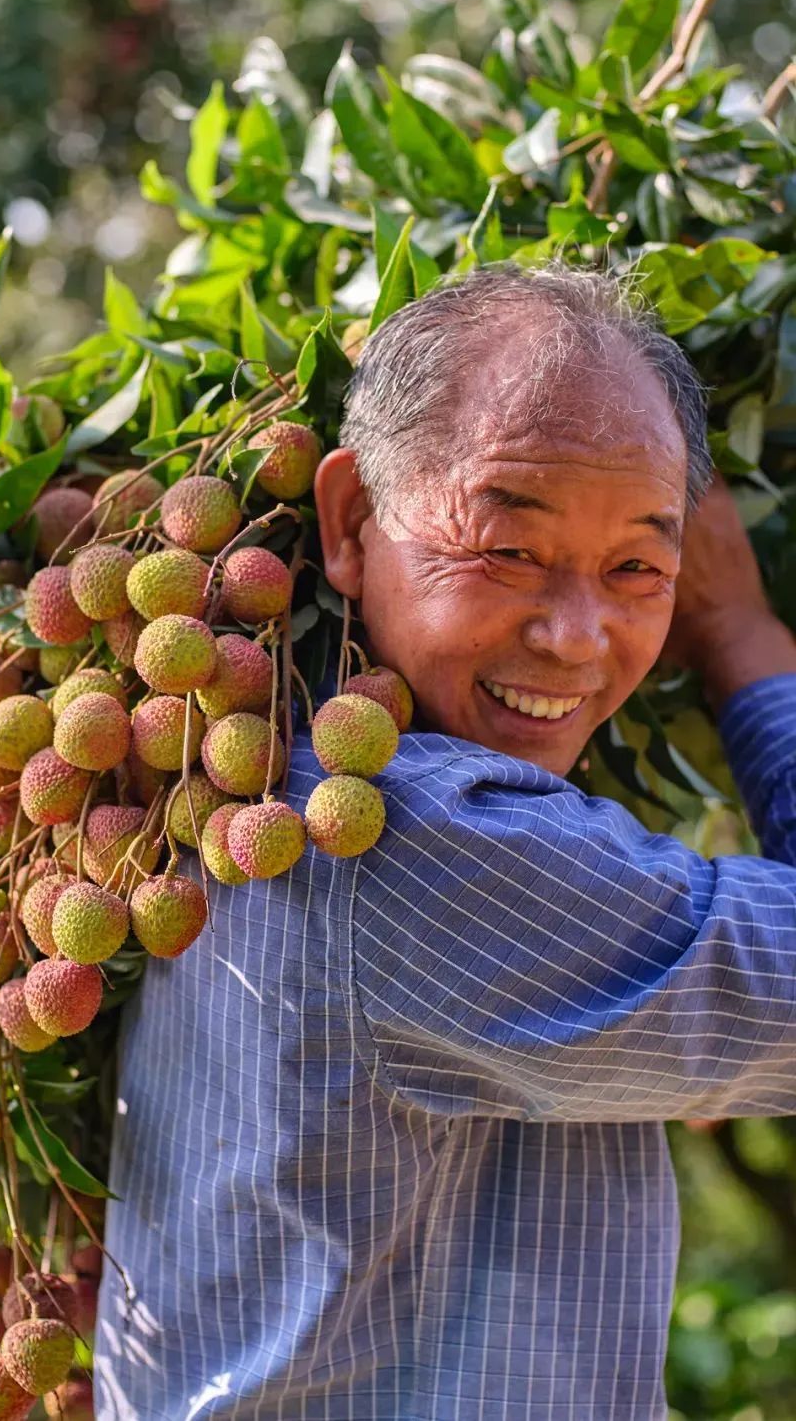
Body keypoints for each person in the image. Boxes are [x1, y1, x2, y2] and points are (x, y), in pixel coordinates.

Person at [93, 263, 796, 1421]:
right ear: (352, 523)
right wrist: (740, 632)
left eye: (640, 568)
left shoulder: (223, 803)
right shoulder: (412, 842)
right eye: (508, 550)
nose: (576, 639)